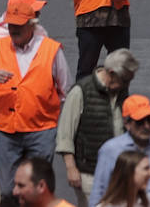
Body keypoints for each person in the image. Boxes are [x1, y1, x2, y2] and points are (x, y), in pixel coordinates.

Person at [0, 0, 70, 187]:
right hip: (6, 132)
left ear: (31, 25)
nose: (14, 30)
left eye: (19, 25)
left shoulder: (51, 49)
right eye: (11, 25)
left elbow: (65, 91)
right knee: (7, 189)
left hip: (41, 132)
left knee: (37, 189)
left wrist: (44, 113)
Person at [57, 48, 138, 202]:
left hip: (119, 173)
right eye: (125, 80)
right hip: (89, 173)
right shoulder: (81, 91)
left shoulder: (121, 91)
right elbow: (65, 134)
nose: (127, 84)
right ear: (112, 73)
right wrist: (71, 168)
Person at [91, 95, 150, 207]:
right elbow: (99, 190)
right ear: (127, 123)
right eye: (140, 122)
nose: (147, 126)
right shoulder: (110, 150)